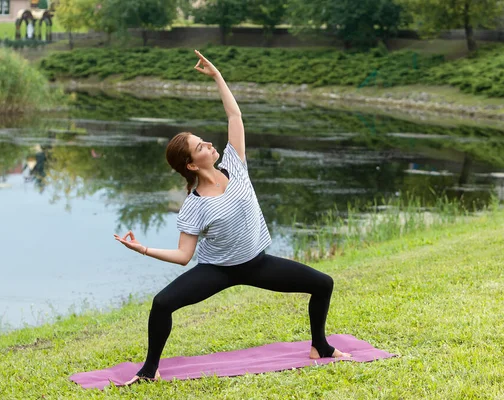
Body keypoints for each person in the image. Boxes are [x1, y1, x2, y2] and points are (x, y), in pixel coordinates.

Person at [113, 50, 351, 385]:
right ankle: (149, 370)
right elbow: (184, 257)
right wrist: (143, 249)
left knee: (322, 284)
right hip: (217, 271)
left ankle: (320, 347)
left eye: (204, 141)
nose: (210, 144)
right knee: (162, 303)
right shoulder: (193, 205)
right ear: (192, 165)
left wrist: (217, 77)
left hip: (257, 263)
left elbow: (234, 116)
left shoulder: (234, 165)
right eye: (200, 147)